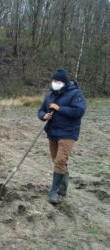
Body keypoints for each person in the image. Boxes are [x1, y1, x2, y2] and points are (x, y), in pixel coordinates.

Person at [38, 68, 86, 204]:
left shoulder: (75, 94)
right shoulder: (49, 95)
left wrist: (59, 108)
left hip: (68, 133)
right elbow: (41, 110)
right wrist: (43, 116)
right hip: (53, 132)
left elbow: (79, 111)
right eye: (53, 80)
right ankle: (63, 187)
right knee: (56, 159)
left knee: (60, 160)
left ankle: (54, 191)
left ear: (64, 82)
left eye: (57, 81)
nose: (54, 83)